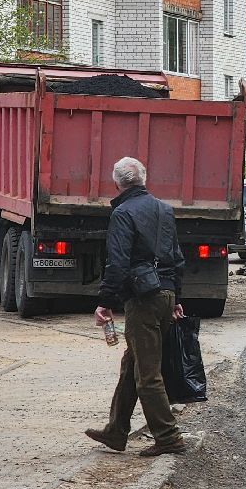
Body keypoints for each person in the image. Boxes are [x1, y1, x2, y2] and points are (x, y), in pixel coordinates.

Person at [87, 156, 188, 457]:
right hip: (165, 294)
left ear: (116, 183)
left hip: (143, 299)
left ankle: (168, 437)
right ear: (144, 179)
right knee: (132, 363)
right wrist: (176, 299)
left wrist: (105, 302)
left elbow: (117, 262)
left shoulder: (123, 213)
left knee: (147, 374)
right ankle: (116, 431)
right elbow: (178, 258)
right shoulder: (165, 210)